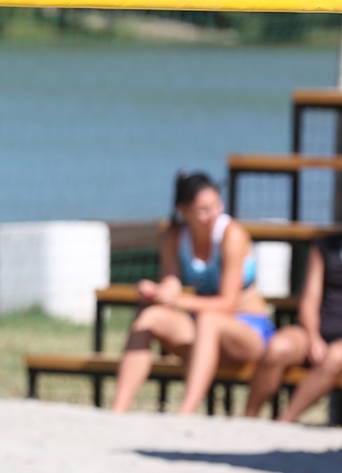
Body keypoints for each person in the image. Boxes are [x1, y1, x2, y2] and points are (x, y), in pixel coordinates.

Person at [111, 172, 275, 415]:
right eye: (204, 210)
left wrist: (179, 300)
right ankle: (118, 409)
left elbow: (228, 302)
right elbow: (171, 284)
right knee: (148, 316)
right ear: (183, 211)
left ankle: (185, 414)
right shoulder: (174, 236)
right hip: (205, 333)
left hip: (249, 331)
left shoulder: (232, 234)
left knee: (209, 320)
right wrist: (157, 292)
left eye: (217, 206)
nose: (214, 214)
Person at [244, 234, 342, 422]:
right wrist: (313, 338)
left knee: (335, 356)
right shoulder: (325, 246)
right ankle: (247, 419)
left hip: (337, 347)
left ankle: (283, 421)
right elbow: (309, 301)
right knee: (278, 346)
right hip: (317, 329)